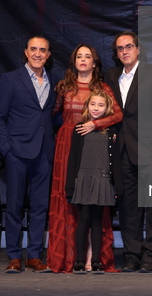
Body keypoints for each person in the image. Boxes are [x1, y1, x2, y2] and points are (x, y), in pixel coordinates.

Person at [47, 44, 123, 273]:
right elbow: (52, 114)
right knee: (68, 200)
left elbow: (118, 114)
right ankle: (69, 257)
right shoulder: (64, 86)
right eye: (78, 56)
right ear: (73, 61)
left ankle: (93, 256)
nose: (82, 60)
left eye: (87, 56)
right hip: (67, 145)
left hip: (94, 145)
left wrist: (94, 124)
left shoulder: (102, 87)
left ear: (94, 62)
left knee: (95, 206)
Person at [106, 30, 152, 273]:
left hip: (151, 154)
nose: (124, 51)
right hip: (123, 153)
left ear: (138, 49)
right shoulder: (112, 76)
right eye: (120, 48)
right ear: (116, 54)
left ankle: (151, 255)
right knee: (128, 209)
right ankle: (132, 255)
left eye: (128, 46)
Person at [0, 35, 58, 273]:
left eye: (43, 50)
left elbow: (52, 117)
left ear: (48, 55)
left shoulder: (55, 81)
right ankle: (14, 257)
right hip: (17, 153)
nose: (38, 53)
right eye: (34, 49)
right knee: (15, 207)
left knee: (40, 207)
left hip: (44, 153)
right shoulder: (10, 79)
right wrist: (7, 149)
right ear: (26, 53)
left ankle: (34, 256)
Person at [66, 90, 119, 275]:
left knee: (97, 221)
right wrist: (71, 186)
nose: (96, 108)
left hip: (103, 179)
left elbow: (116, 161)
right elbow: (73, 158)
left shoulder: (111, 131)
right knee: (83, 220)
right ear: (87, 106)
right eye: (93, 104)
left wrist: (115, 185)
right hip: (83, 178)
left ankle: (96, 261)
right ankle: (79, 261)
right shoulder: (79, 128)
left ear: (108, 108)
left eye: (101, 105)